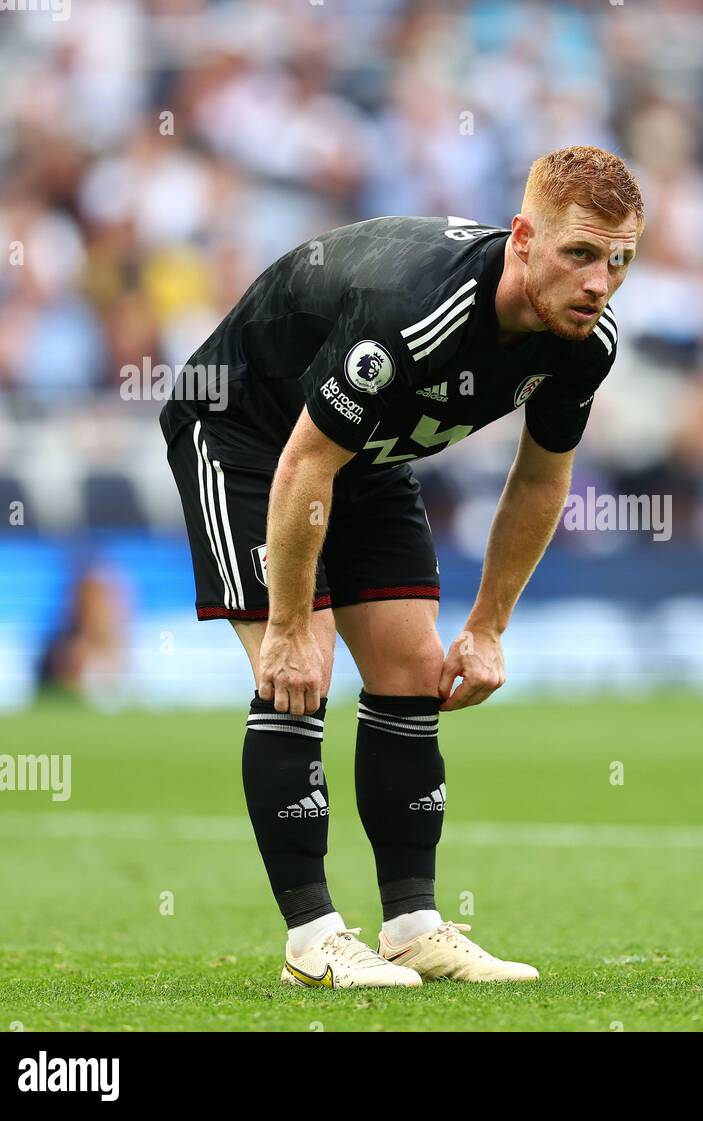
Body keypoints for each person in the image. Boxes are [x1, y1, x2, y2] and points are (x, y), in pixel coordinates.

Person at [160, 146, 642, 988]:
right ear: (523, 239)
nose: (600, 282)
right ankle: (311, 938)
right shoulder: (414, 312)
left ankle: (413, 927)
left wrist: (488, 626)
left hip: (363, 451)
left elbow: (541, 476)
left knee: (415, 671)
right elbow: (305, 462)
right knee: (298, 670)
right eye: (579, 254)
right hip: (244, 429)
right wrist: (285, 622)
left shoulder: (582, 340)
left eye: (620, 260)